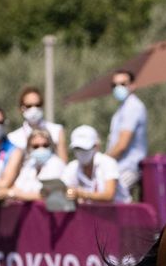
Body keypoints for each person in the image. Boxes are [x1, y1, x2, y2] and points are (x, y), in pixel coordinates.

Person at [105, 69, 148, 200]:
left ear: (132, 85)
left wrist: (102, 160)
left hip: (128, 167)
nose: (118, 88)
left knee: (116, 200)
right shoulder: (124, 107)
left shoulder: (133, 107)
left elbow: (122, 145)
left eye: (123, 84)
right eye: (115, 85)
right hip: (120, 166)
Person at [63, 125, 128, 204]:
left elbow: (109, 195)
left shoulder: (108, 163)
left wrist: (82, 194)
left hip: (122, 214)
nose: (81, 152)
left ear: (96, 147)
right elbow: (63, 190)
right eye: (77, 148)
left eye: (85, 148)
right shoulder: (72, 167)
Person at [8, 85, 67, 161]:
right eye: (29, 106)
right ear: (21, 108)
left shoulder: (56, 130)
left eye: (37, 105)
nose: (34, 109)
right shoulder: (13, 138)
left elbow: (63, 162)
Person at [6, 129, 66, 201]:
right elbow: (17, 187)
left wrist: (12, 194)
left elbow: (47, 195)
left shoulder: (56, 164)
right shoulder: (29, 164)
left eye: (45, 145)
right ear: (29, 148)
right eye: (36, 146)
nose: (41, 149)